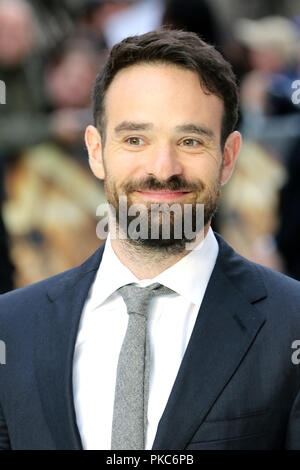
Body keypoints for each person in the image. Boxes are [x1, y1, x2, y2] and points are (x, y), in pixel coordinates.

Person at [0, 29, 300, 451]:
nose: (163, 168)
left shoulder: (292, 323)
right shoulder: (10, 328)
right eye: (135, 139)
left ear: (228, 157)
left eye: (190, 140)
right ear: (96, 151)